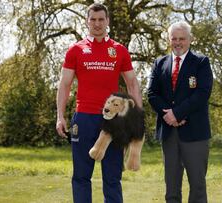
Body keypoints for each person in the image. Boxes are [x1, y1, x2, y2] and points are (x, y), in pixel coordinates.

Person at [56, 3, 142, 203]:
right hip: (84, 118)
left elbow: (132, 84)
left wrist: (136, 117)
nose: (97, 23)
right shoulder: (75, 50)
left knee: (112, 177)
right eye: (93, 19)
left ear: (107, 21)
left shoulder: (119, 50)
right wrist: (60, 116)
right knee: (81, 176)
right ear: (87, 22)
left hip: (113, 121)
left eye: (101, 19)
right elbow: (65, 85)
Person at [147, 21, 213, 203]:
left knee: (198, 187)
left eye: (181, 39)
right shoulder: (160, 63)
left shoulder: (201, 62)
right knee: (171, 189)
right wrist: (168, 116)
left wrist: (177, 114)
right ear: (169, 40)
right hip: (169, 133)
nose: (177, 42)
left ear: (190, 39)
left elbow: (202, 94)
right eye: (173, 38)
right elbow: (152, 94)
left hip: (195, 134)